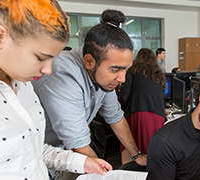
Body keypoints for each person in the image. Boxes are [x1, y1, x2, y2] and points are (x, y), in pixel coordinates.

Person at [0, 0, 112, 179]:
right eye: (40, 58)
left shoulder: (25, 86)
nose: (48, 70)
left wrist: (80, 162)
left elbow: (33, 151)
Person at [31, 9, 146, 171]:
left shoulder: (103, 75)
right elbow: (79, 144)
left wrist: (136, 155)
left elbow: (115, 117)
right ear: (89, 61)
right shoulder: (62, 76)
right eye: (115, 70)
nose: (122, 79)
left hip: (62, 152)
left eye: (126, 70)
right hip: (38, 157)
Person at [119, 48, 166, 165]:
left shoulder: (133, 71)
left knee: (130, 149)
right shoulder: (158, 74)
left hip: (139, 114)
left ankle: (128, 174)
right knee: (153, 151)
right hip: (159, 116)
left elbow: (124, 95)